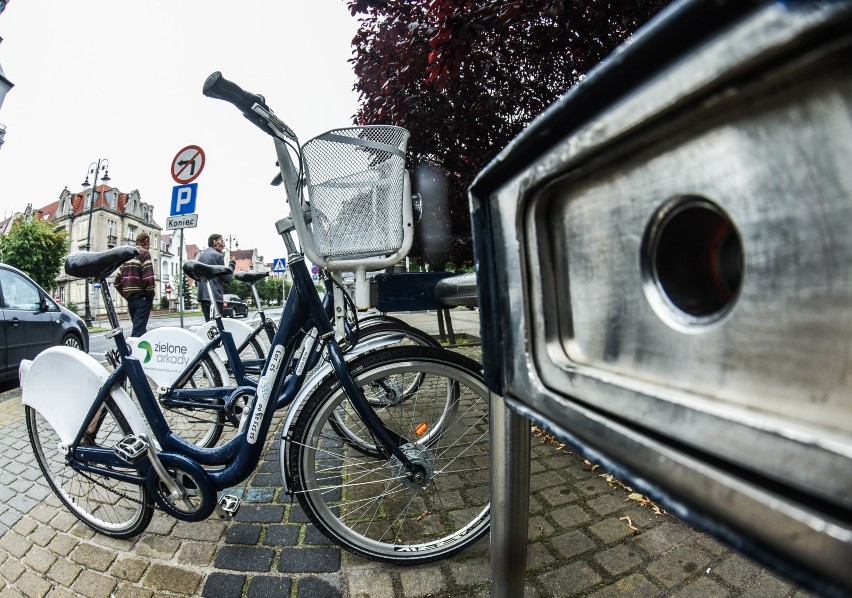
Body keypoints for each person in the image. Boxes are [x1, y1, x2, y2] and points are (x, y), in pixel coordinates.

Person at [114, 231, 156, 337]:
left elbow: (117, 282)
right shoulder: (144, 253)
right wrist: (150, 295)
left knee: (140, 329)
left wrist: (127, 294)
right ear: (146, 241)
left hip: (131, 301)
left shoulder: (127, 256)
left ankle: (142, 352)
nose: (149, 247)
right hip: (142, 299)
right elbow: (148, 279)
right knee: (138, 333)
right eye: (149, 244)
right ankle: (131, 352)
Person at [197, 233, 235, 321]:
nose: (224, 244)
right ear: (214, 242)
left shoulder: (201, 256)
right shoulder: (217, 255)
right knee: (217, 325)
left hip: (203, 296)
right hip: (215, 296)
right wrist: (232, 264)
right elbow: (226, 278)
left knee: (209, 325)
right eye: (222, 241)